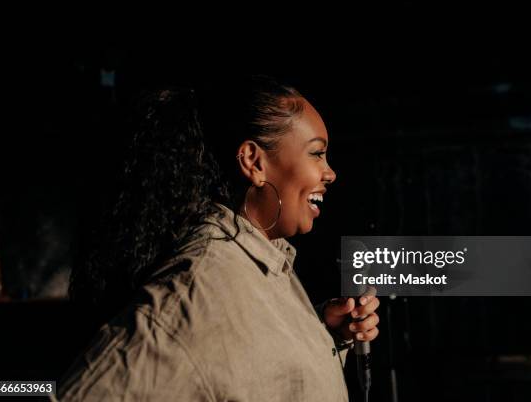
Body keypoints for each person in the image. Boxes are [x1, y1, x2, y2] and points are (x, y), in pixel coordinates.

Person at [56, 75, 380, 401]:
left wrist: (326, 333)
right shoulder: (196, 289)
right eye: (317, 153)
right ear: (254, 162)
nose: (330, 172)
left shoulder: (263, 262)